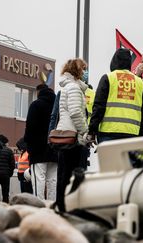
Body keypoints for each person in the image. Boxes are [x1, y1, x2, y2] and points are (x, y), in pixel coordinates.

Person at [87, 48, 143, 148]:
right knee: (127, 164)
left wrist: (92, 130)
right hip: (132, 134)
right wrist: (142, 134)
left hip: (109, 133)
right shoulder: (139, 82)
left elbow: (98, 106)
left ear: (114, 61)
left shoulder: (108, 78)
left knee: (110, 164)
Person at [54, 58, 89, 212]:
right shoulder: (74, 88)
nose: (86, 72)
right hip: (74, 136)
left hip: (68, 134)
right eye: (84, 69)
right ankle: (68, 206)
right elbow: (75, 112)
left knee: (64, 173)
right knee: (71, 174)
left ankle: (62, 205)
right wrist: (85, 131)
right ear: (77, 70)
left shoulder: (69, 87)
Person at [24, 84, 57, 201]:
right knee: (53, 180)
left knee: (39, 178)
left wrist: (27, 144)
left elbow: (30, 127)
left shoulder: (36, 105)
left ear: (38, 92)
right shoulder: (57, 106)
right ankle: (52, 205)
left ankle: (39, 205)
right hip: (54, 149)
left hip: (38, 150)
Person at [0, 134, 15, 203]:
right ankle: (5, 205)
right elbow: (12, 164)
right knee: (5, 193)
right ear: (5, 142)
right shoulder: (9, 151)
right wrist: (9, 173)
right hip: (5, 175)